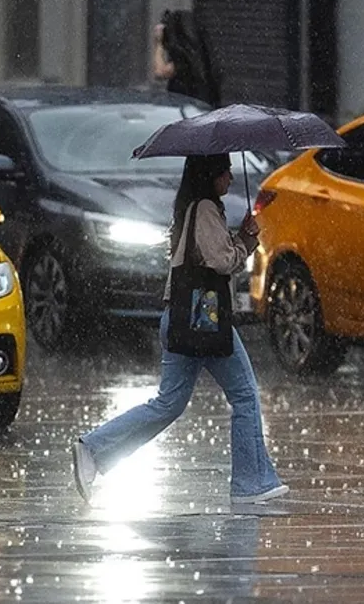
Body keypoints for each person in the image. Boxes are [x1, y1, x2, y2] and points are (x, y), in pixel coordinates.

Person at [72, 154, 288, 505]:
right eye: (226, 171)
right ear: (211, 174)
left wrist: (242, 238)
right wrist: (246, 240)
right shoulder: (204, 207)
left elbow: (209, 254)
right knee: (245, 395)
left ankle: (94, 449)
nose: (231, 177)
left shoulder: (191, 207)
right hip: (203, 315)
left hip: (180, 315)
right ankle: (251, 484)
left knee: (169, 403)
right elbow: (221, 261)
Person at [153, 9, 223, 107]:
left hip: (185, 109)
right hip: (203, 107)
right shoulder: (202, 54)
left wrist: (159, 43)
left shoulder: (184, 58)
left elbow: (160, 72)